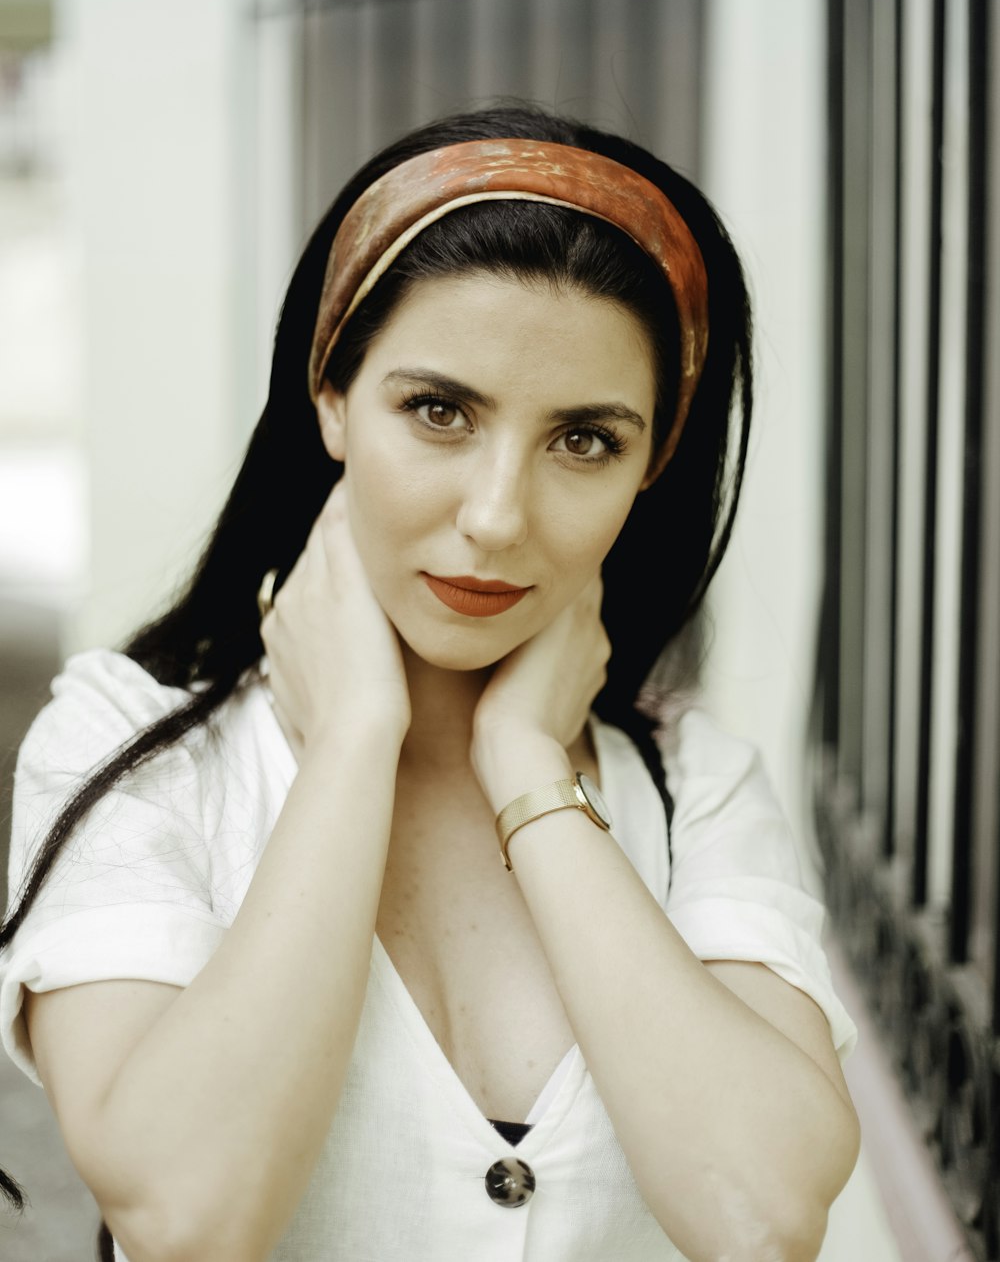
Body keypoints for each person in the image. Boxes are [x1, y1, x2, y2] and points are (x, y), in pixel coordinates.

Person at [0, 104, 860, 1262]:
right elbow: (188, 1218)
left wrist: (527, 773)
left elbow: (760, 1217)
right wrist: (354, 738)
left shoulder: (692, 788)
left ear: (653, 462)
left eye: (585, 440)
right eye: (440, 411)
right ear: (333, 397)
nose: (497, 516)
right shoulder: (130, 742)